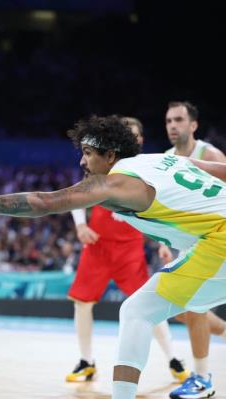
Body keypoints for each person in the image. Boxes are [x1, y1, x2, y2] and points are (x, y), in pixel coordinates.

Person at [0, 115, 226, 399]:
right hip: (213, 240)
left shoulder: (116, 182)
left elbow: (41, 202)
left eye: (89, 153)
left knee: (137, 312)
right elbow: (221, 171)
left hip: (220, 239)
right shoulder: (158, 161)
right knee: (166, 308)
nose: (82, 161)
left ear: (110, 154)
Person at [66, 117, 188, 383]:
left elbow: (161, 211)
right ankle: (86, 362)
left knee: (148, 305)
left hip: (130, 250)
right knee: (82, 303)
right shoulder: (101, 165)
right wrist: (80, 226)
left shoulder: (147, 168)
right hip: (97, 246)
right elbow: (76, 194)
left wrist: (163, 243)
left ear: (140, 140)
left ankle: (173, 358)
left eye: (133, 134)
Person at [160, 101, 226, 399]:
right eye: (168, 121)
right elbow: (162, 209)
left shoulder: (209, 155)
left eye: (179, 119)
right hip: (189, 245)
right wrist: (163, 242)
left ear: (193, 125)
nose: (173, 125)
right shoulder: (165, 159)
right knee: (178, 308)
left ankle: (201, 379)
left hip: (216, 242)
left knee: (191, 304)